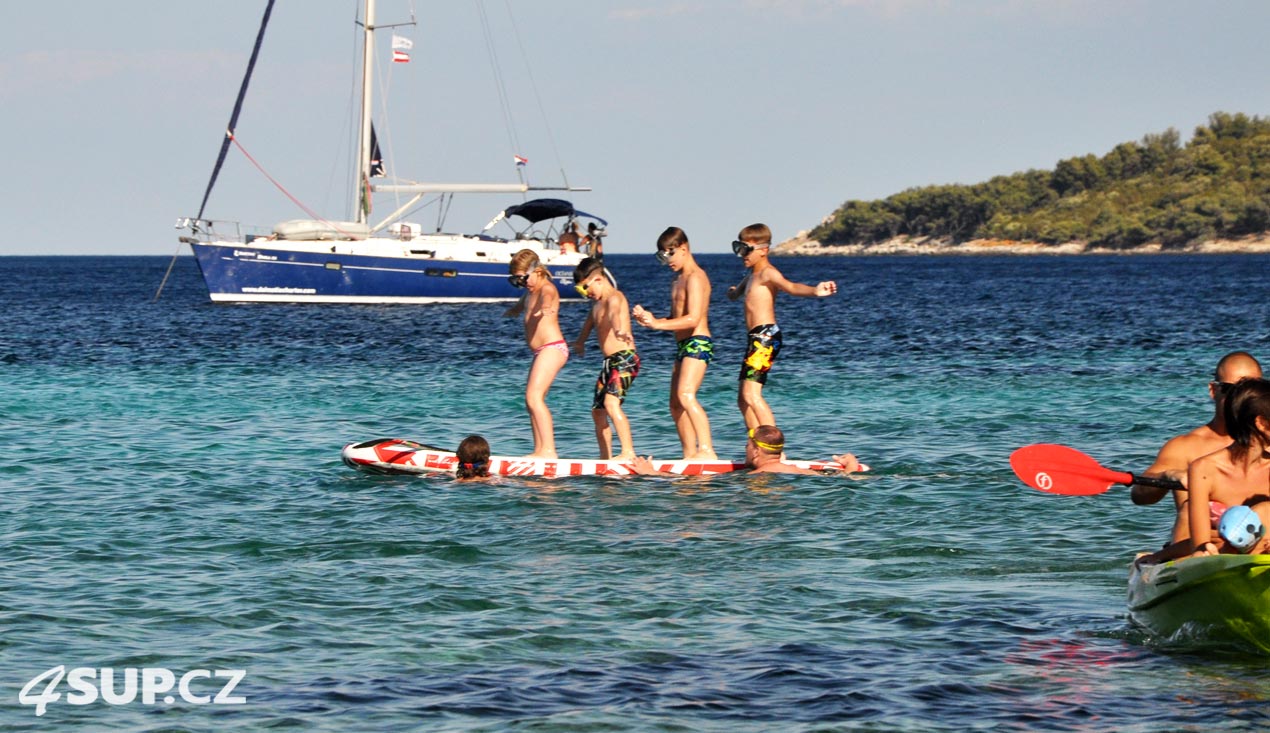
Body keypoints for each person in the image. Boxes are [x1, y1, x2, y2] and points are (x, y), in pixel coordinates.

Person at [1132, 351, 1263, 542]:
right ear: (1213, 390)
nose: (1240, 400)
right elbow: (1139, 496)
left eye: (1250, 391)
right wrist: (1167, 475)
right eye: (1231, 390)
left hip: (1257, 547)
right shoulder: (1185, 447)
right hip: (1195, 554)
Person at [726, 223, 837, 433]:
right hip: (756, 339)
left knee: (751, 395)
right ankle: (756, 441)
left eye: (746, 249)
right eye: (739, 248)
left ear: (763, 250)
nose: (742, 254)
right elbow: (736, 294)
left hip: (765, 338)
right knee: (743, 399)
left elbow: (792, 287)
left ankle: (773, 447)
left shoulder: (768, 273)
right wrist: (732, 292)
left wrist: (815, 290)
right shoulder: (751, 275)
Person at [632, 227, 717, 460]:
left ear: (683, 249)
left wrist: (657, 325)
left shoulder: (696, 277)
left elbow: (693, 318)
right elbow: (675, 318)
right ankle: (689, 455)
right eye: (661, 256)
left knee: (687, 395)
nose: (666, 261)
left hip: (698, 343)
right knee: (675, 404)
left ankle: (707, 451)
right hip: (682, 346)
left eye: (669, 254)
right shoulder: (677, 280)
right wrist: (651, 319)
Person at [1183, 377, 1270, 557]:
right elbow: (1201, 547)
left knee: (1264, 510)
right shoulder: (1204, 469)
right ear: (1261, 423)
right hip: (1224, 556)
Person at [572, 257, 640, 460]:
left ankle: (628, 452)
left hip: (625, 358)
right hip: (610, 362)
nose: (585, 294)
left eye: (585, 288)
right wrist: (580, 342)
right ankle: (605, 457)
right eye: (580, 291)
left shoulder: (614, 297)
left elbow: (615, 315)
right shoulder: (596, 304)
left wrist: (619, 330)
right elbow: (589, 325)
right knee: (598, 411)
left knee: (611, 404)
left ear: (599, 279)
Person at [505, 249, 568, 457]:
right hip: (541, 351)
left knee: (534, 397)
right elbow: (524, 302)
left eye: (524, 278)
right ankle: (539, 449)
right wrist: (515, 309)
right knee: (531, 401)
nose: (523, 284)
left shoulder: (545, 289)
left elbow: (548, 297)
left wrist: (548, 307)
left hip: (553, 347)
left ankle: (549, 451)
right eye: (517, 281)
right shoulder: (529, 292)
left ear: (537, 270)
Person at [745, 424, 859, 475]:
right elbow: (848, 477)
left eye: (747, 446)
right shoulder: (797, 470)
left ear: (756, 451)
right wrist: (851, 461)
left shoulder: (754, 477)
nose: (745, 449)